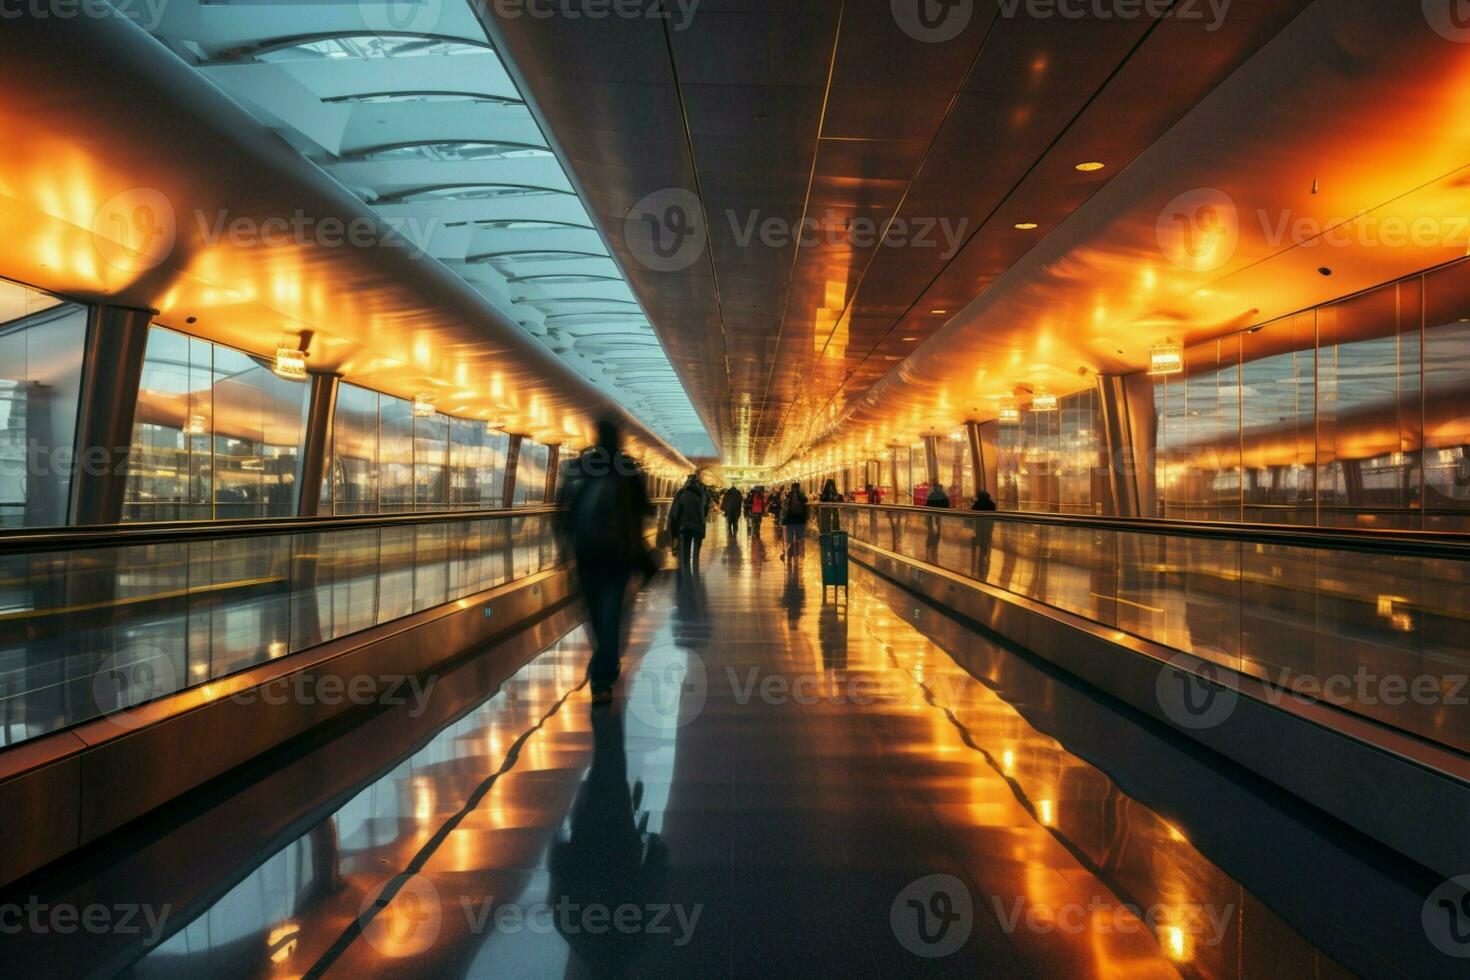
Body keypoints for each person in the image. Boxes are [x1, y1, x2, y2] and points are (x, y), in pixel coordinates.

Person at [563, 417, 656, 706]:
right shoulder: (628, 468)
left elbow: (566, 509)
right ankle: (605, 672)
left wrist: (564, 546)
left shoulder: (582, 465)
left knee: (595, 615)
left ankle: (604, 667)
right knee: (612, 613)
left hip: (586, 555)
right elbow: (646, 509)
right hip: (618, 555)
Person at [667, 475, 708, 571]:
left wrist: (674, 522)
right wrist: (703, 526)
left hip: (686, 526)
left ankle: (686, 569)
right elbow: (703, 512)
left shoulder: (682, 494)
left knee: (686, 547)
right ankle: (696, 567)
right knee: (697, 550)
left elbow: (676, 511)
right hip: (698, 526)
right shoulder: (702, 495)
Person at [781, 482, 809, 562]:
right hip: (800, 520)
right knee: (799, 538)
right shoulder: (802, 496)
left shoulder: (788, 496)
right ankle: (797, 553)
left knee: (789, 539)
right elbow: (806, 504)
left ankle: (790, 552)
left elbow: (784, 508)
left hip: (790, 520)